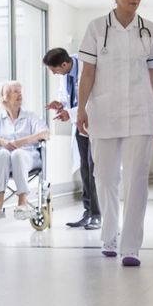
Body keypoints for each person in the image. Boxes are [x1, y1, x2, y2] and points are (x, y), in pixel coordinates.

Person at [76, 0, 153, 267]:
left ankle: (131, 246)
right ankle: (109, 235)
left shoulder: (151, 30)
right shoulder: (95, 28)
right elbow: (88, 72)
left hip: (141, 114)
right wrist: (81, 109)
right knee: (104, 178)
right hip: (104, 113)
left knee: (136, 180)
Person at [0, 81, 50, 220]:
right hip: (3, 161)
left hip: (28, 157)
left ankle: (23, 202)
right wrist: (2, 142)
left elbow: (45, 134)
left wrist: (20, 142)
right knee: (3, 152)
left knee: (17, 153)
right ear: (4, 97)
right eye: (15, 91)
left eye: (20, 91)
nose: (20, 94)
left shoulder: (30, 117)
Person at [44, 48, 100, 230]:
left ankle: (97, 214)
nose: (54, 73)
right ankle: (88, 212)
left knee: (94, 169)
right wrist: (61, 105)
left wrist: (71, 112)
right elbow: (70, 98)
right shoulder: (66, 73)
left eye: (55, 70)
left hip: (94, 123)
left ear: (65, 64)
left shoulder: (88, 67)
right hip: (80, 125)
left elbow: (93, 99)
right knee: (84, 169)